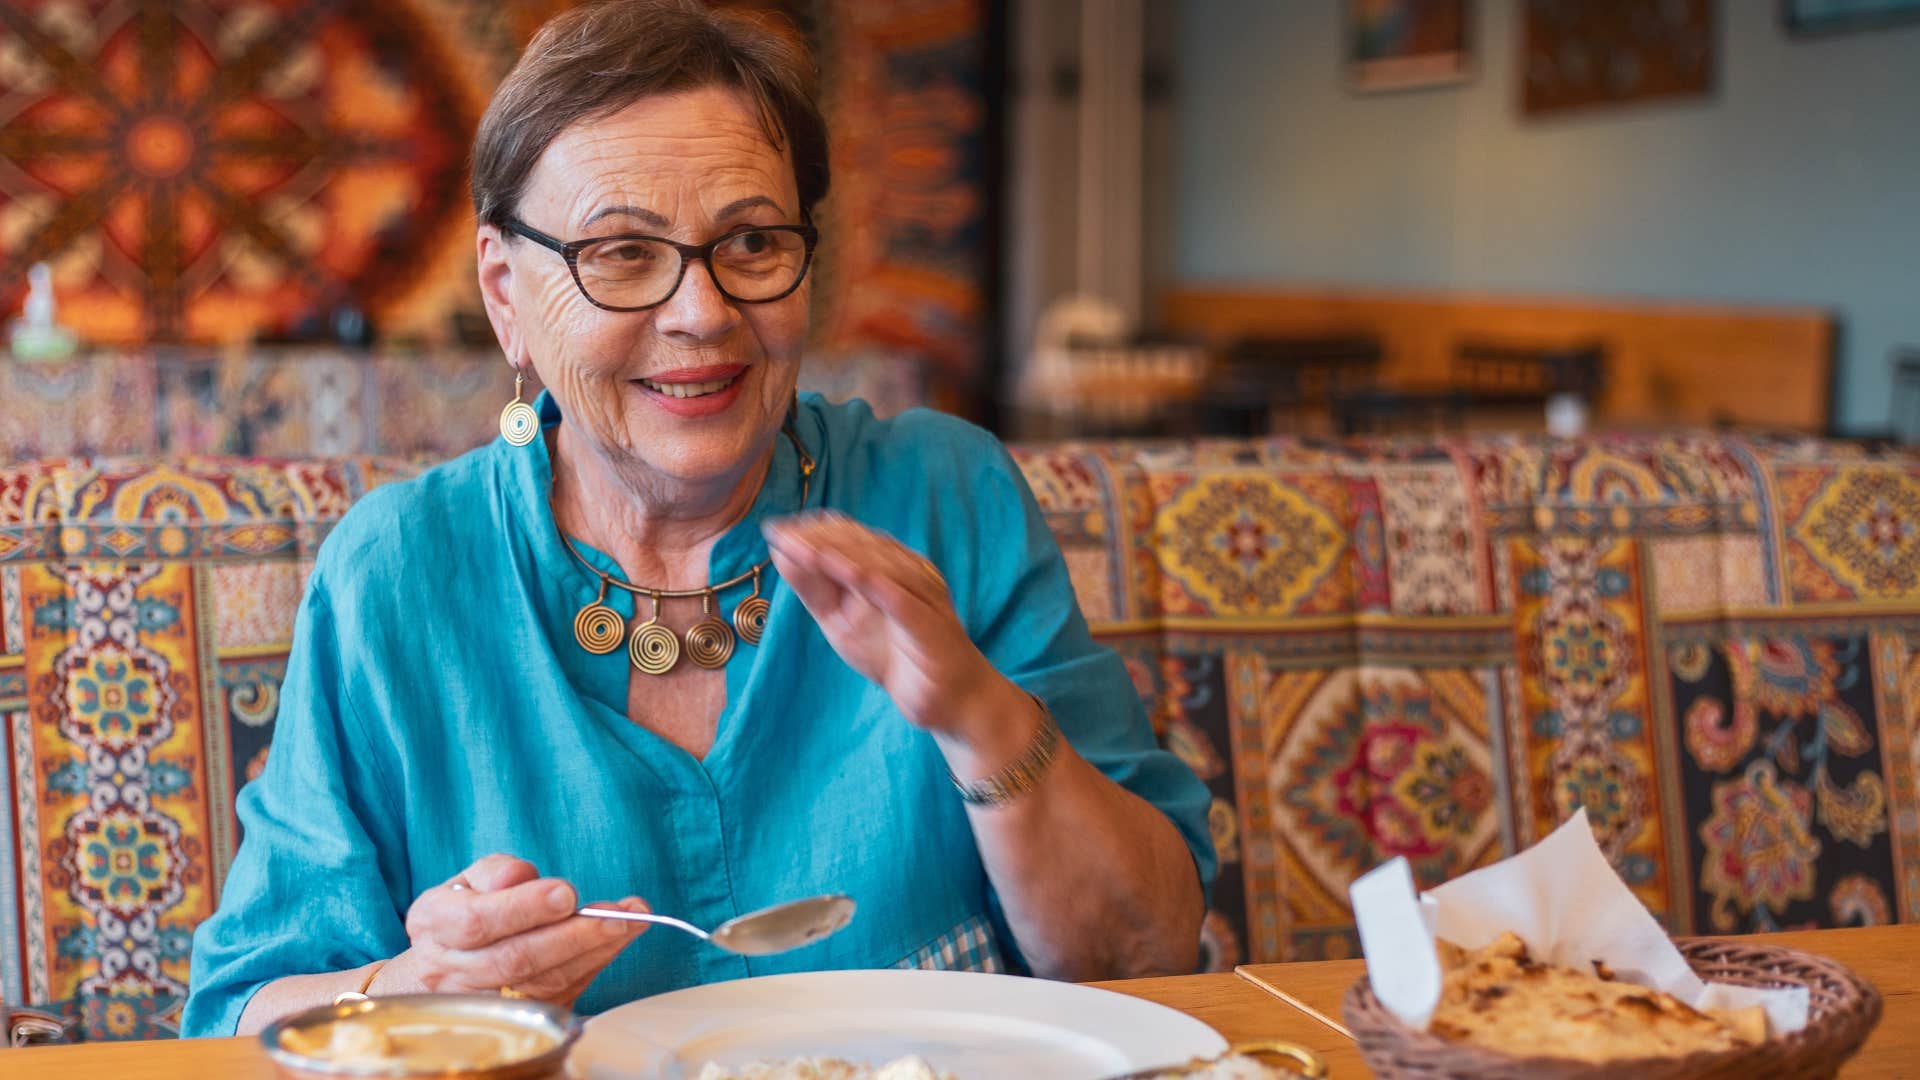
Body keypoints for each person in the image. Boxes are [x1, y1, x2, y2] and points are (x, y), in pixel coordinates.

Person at [184, 0, 1212, 1037]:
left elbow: (1148, 954)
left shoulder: (946, 498)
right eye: (622, 254)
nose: (703, 313)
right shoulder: (399, 574)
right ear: (506, 293)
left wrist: (978, 715)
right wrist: (416, 989)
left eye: (754, 242)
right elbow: (235, 1016)